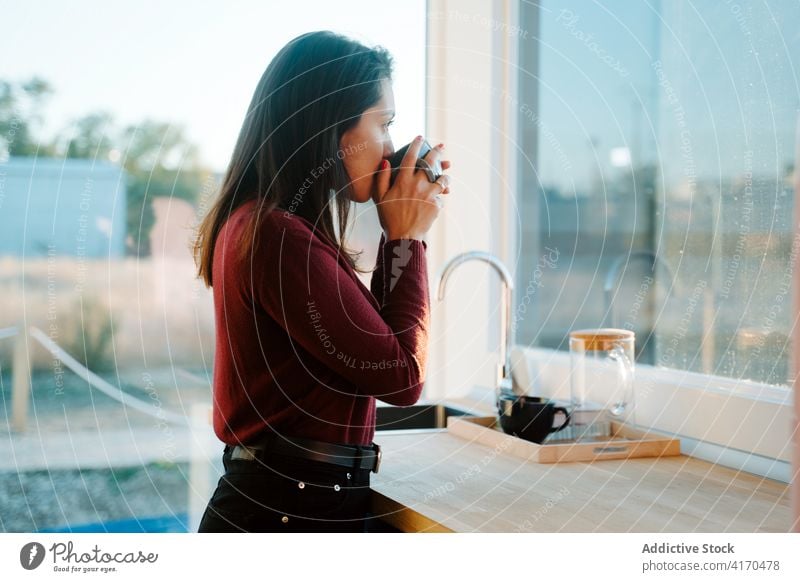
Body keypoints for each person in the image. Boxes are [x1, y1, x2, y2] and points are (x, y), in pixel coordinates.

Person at [192, 30, 451, 532]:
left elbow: (378, 353)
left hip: (291, 502)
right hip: (288, 513)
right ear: (332, 125)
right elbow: (401, 377)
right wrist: (407, 237)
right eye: (385, 124)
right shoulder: (276, 236)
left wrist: (396, 228)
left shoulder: (264, 225)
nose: (392, 147)